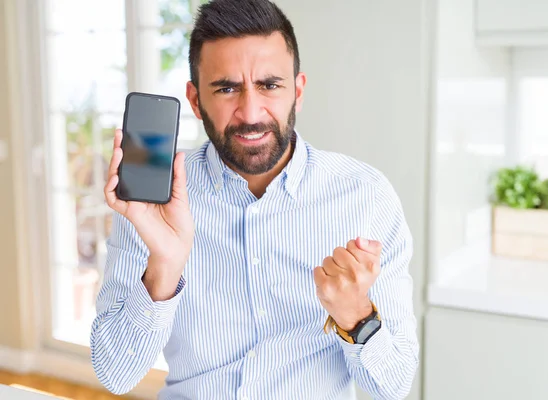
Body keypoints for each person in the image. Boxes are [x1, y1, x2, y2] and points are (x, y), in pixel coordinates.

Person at [90, 0, 419, 399]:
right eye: (226, 88)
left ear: (297, 91)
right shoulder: (151, 207)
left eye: (269, 85)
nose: (250, 112)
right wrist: (165, 265)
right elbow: (115, 373)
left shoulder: (366, 196)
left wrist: (354, 314)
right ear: (195, 101)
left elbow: (394, 386)